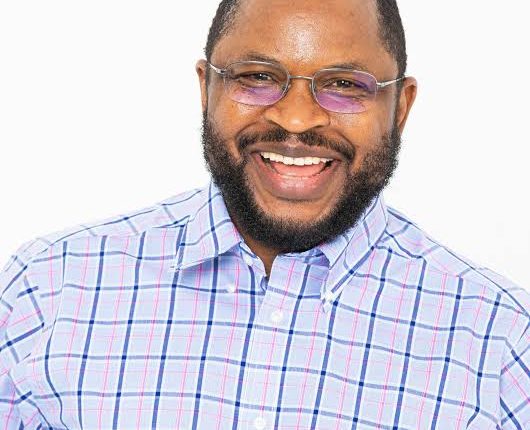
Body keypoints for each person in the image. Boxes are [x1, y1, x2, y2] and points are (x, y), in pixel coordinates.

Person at [1, 0, 528, 428]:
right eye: (257, 76)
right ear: (206, 88)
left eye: (345, 84)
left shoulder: (502, 345)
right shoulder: (46, 294)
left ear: (401, 108)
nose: (296, 119)